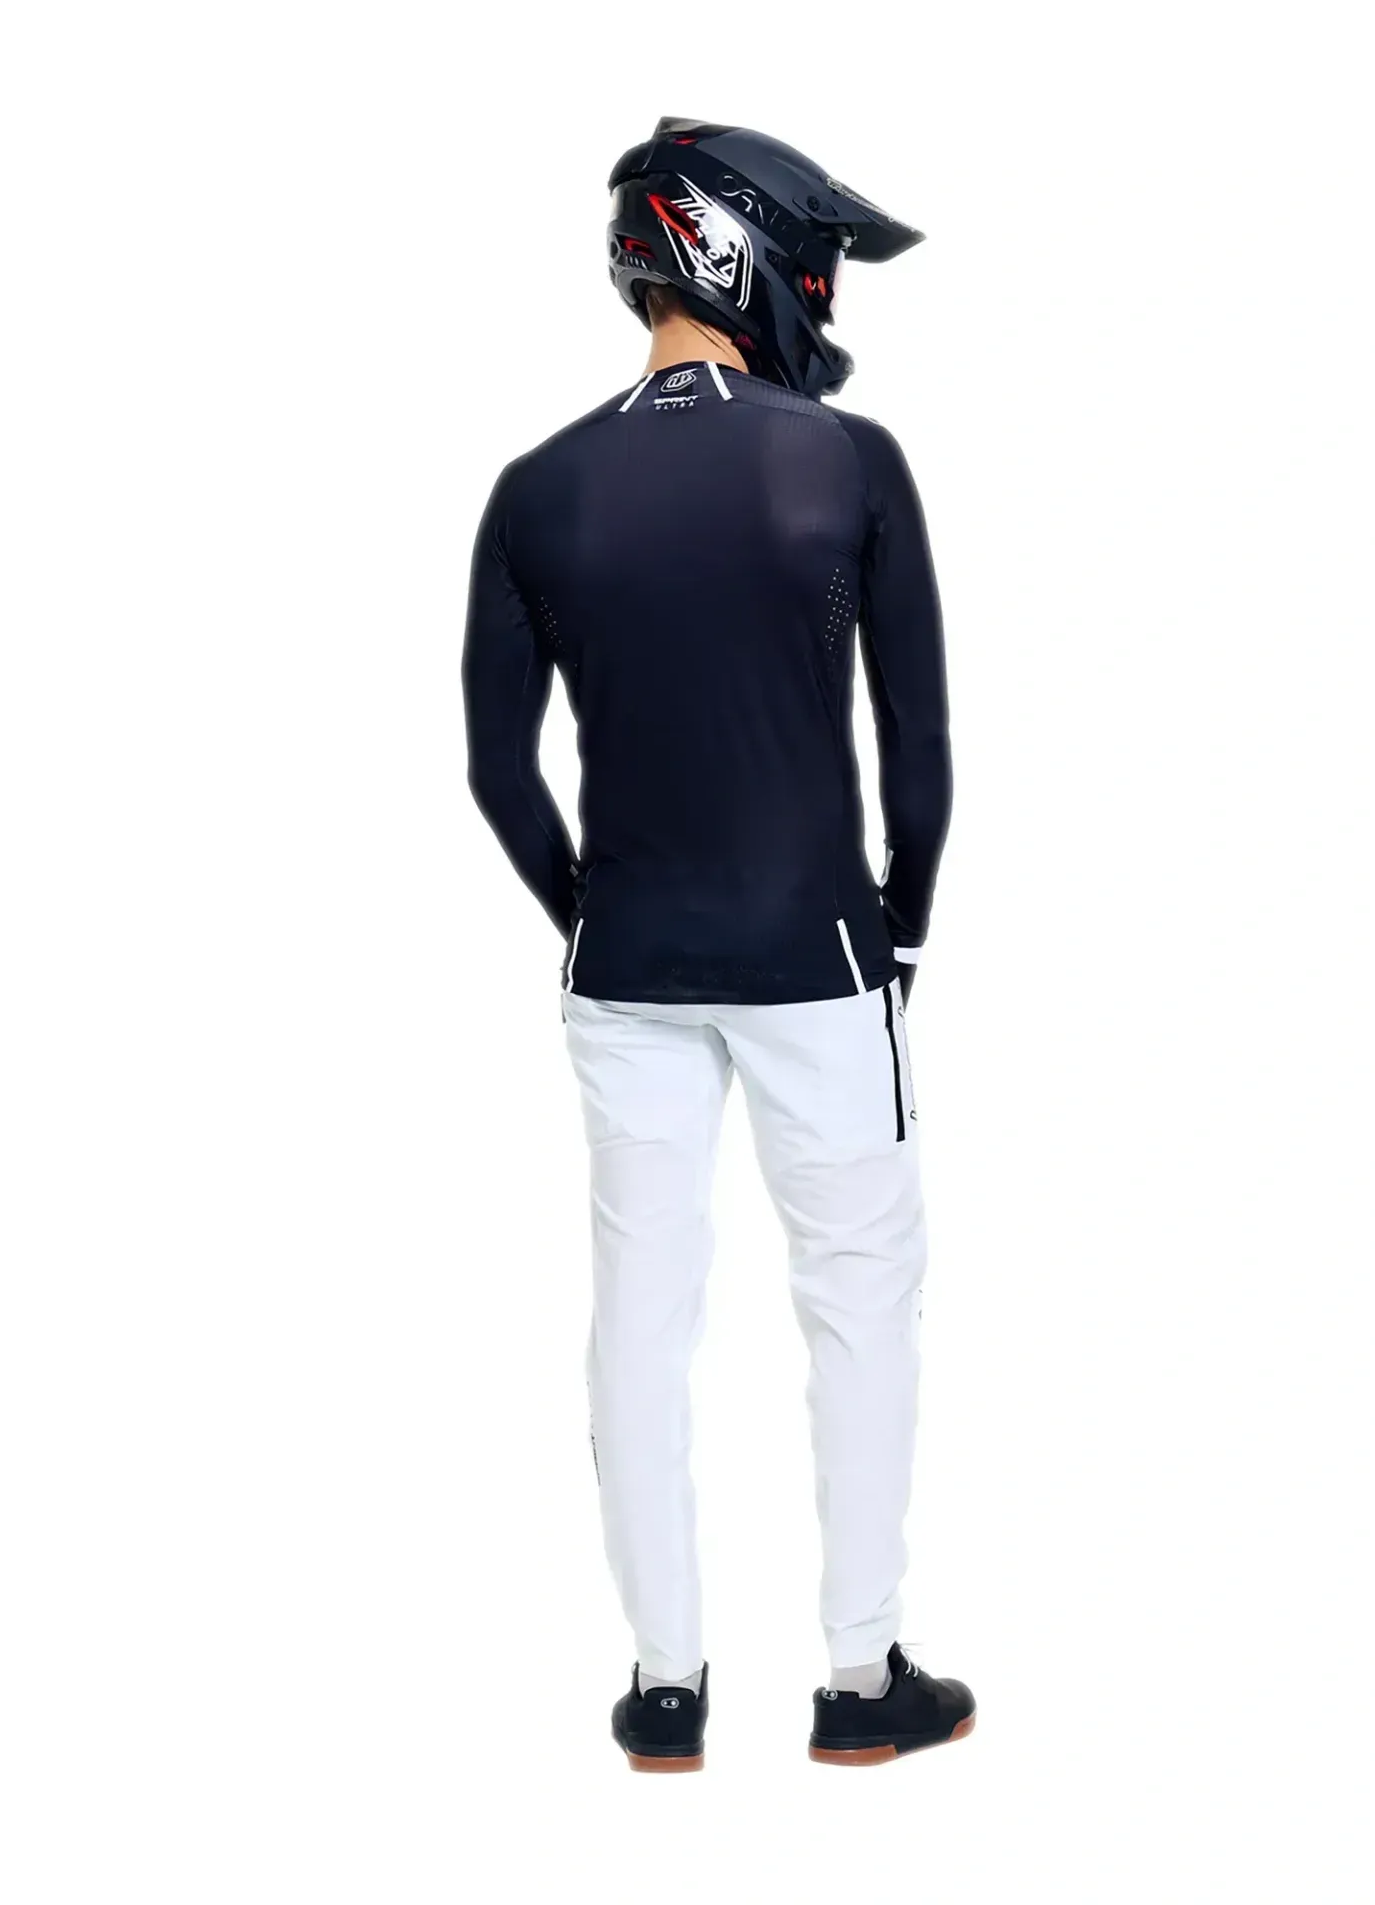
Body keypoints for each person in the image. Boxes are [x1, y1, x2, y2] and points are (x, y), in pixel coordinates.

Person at [462, 118, 973, 1771]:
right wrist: (903, 919)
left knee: (639, 1308)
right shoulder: (848, 462)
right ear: (738, 250)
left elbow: (496, 768)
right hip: (817, 954)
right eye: (815, 264)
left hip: (628, 968)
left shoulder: (537, 487)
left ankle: (665, 1687)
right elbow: (920, 751)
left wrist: (589, 910)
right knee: (859, 1302)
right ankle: (861, 1680)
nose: (823, 295)